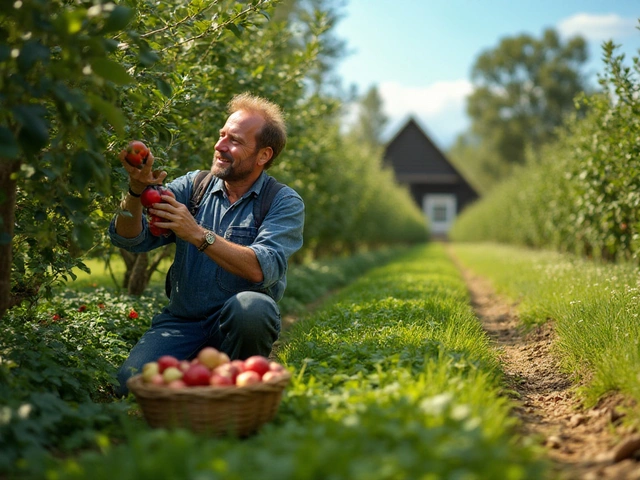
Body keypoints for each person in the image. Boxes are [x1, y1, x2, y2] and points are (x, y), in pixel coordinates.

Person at [109, 93, 305, 396]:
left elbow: (260, 268)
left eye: (235, 141)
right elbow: (131, 239)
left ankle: (237, 386)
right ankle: (198, 372)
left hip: (235, 326)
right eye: (221, 135)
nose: (220, 145)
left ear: (263, 155)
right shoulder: (193, 187)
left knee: (253, 309)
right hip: (181, 324)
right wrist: (136, 191)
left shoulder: (281, 201)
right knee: (129, 383)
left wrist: (197, 233)